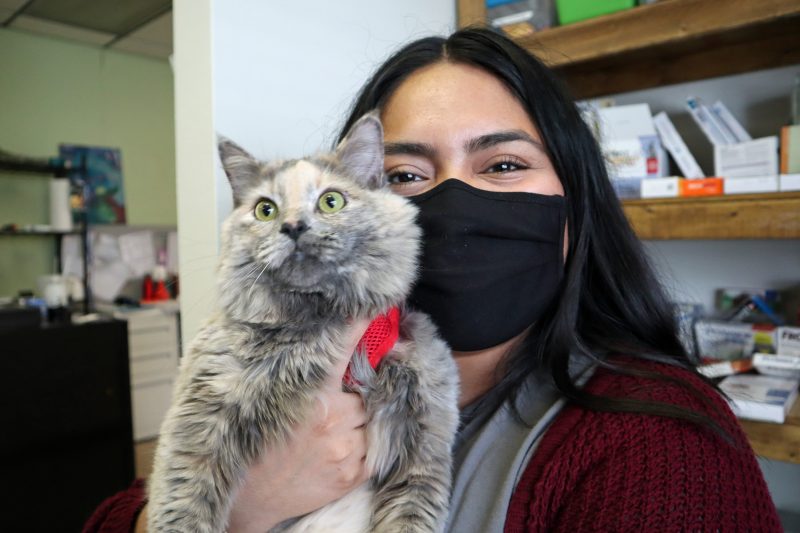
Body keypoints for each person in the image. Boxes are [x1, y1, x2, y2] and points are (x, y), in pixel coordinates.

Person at [86, 28, 782, 532]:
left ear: (576, 201)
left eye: (503, 165)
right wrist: (242, 504)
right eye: (404, 176)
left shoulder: (659, 444)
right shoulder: (304, 366)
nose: (452, 203)